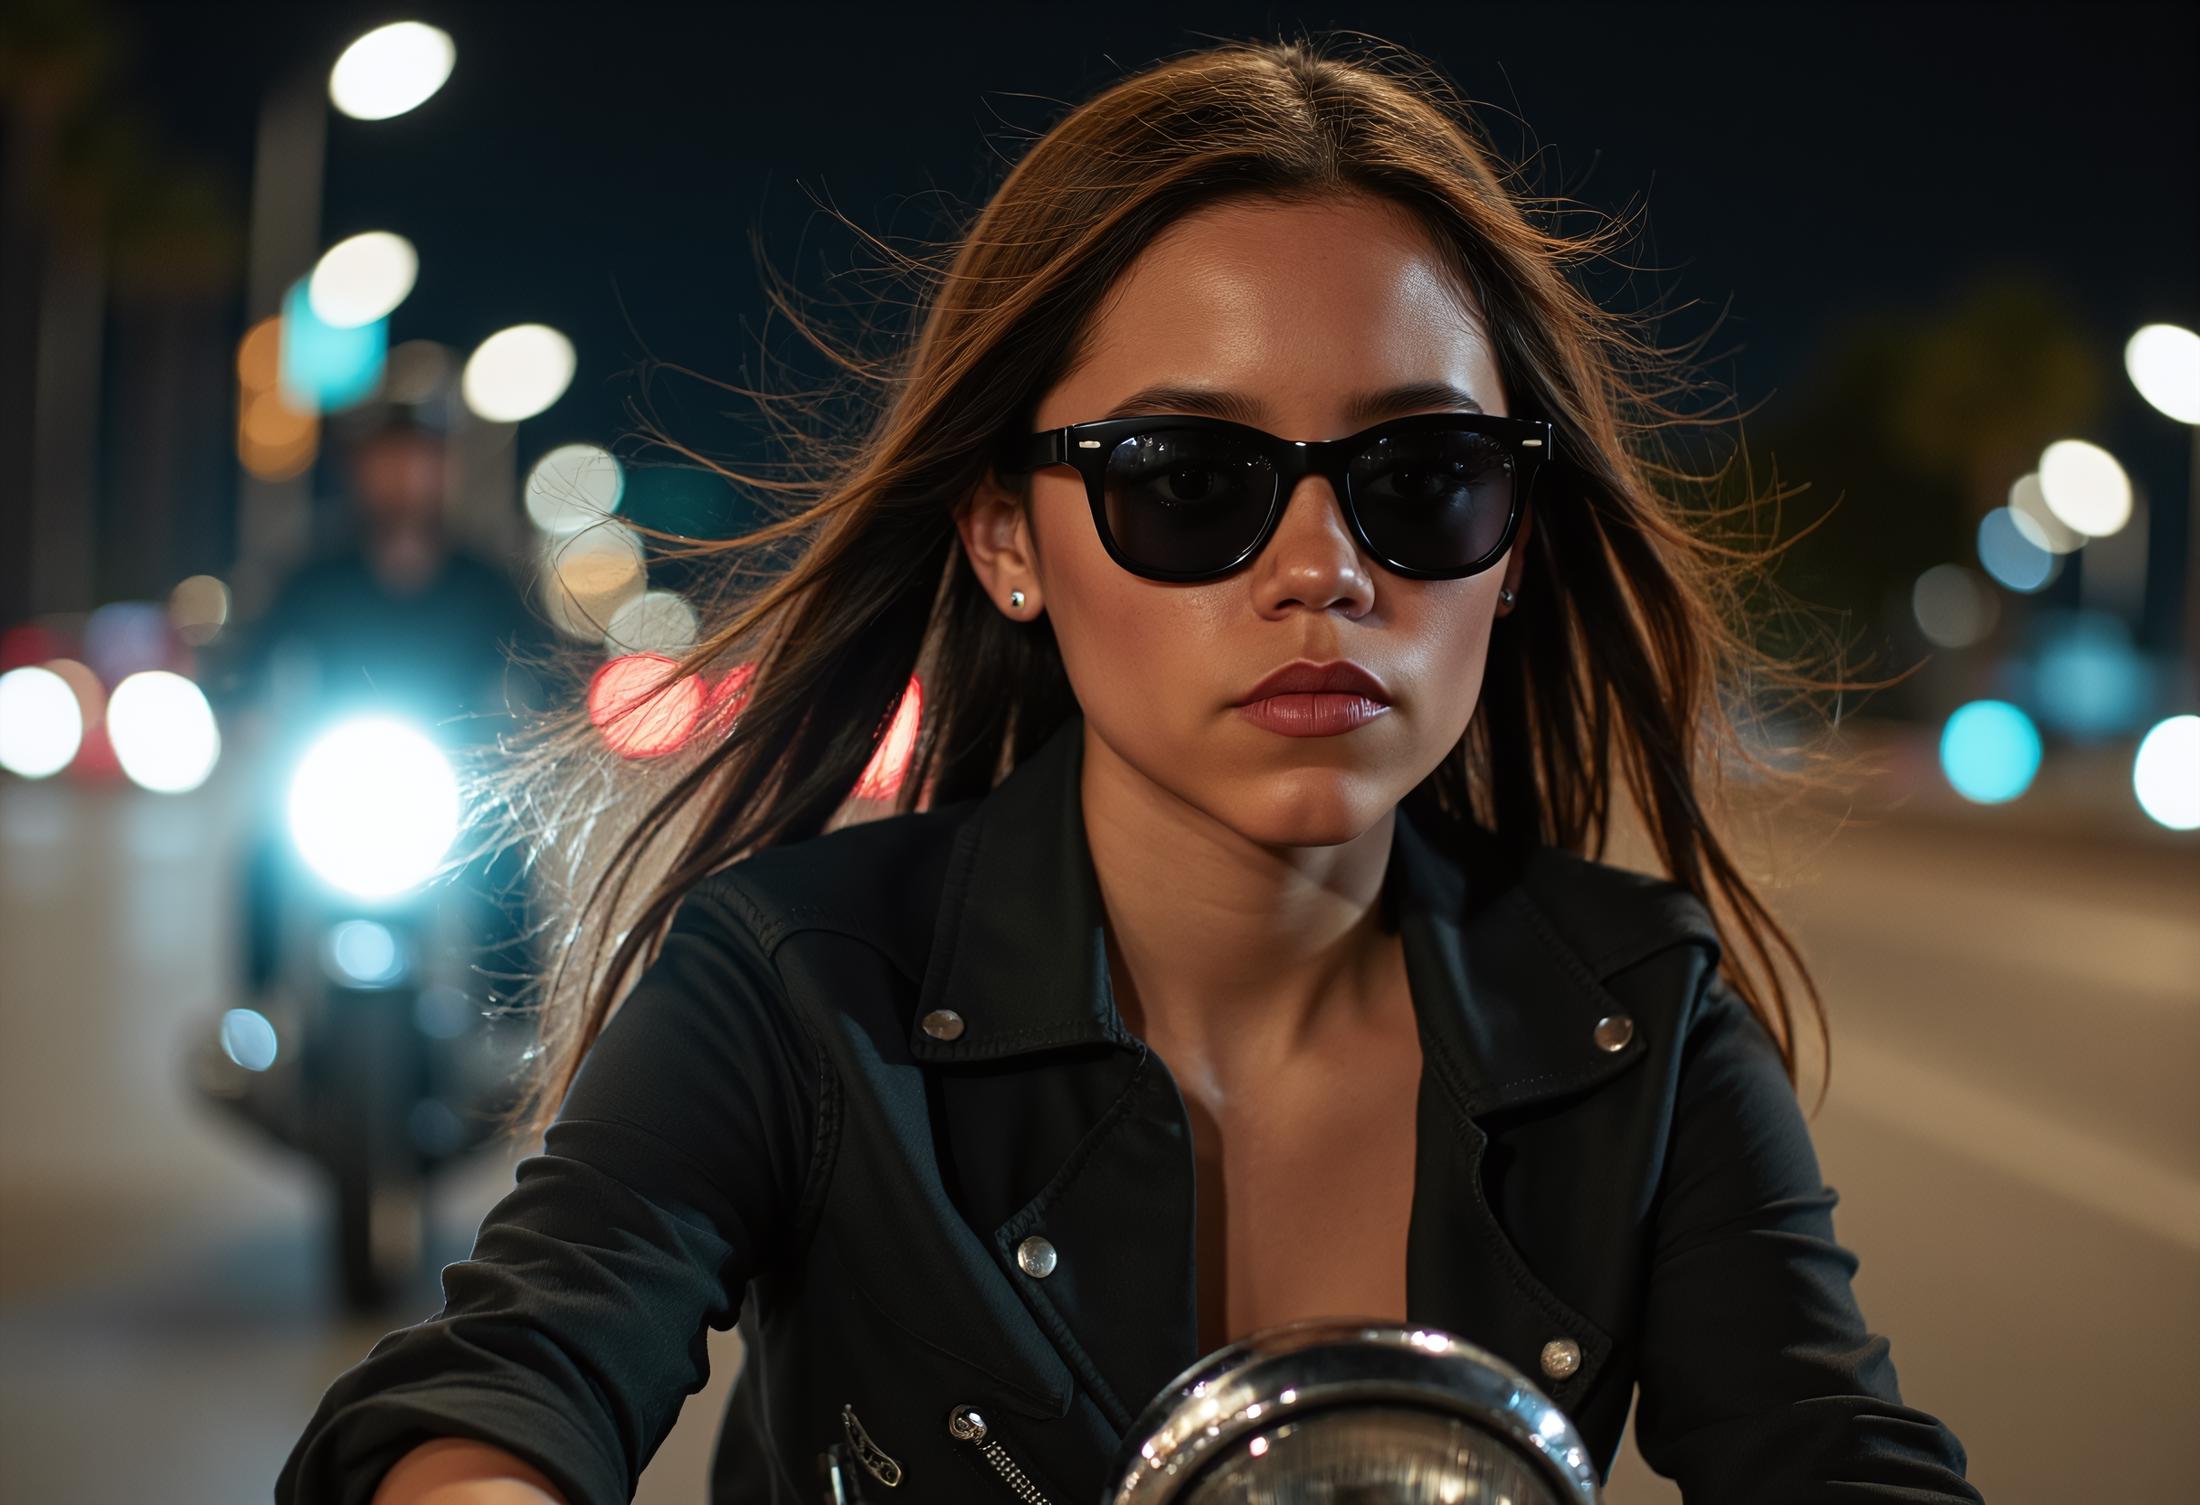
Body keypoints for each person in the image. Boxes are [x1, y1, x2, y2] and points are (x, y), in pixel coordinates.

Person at [277, 36, 1982, 1505]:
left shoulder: (1643, 1018)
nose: (1324, 566)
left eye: (1425, 474)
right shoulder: (798, 986)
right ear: (1008, 535)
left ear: (1516, 538)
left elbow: (1835, 1450)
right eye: (1187, 474)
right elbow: (514, 1370)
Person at [219, 402, 550, 999]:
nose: (403, 476)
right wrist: (246, 713)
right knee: (265, 853)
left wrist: (545, 729)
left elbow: (546, 669)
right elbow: (252, 656)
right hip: (336, 775)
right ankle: (255, 1020)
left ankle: (512, 1032)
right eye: (387, 460)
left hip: (455, 780)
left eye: (419, 460)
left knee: (508, 860)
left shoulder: (484, 581)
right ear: (359, 472)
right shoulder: (316, 573)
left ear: (444, 471)